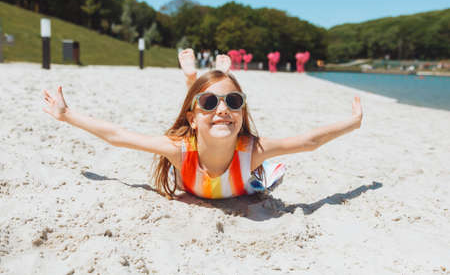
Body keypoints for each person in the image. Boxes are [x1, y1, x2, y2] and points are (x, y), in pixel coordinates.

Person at [43, 48, 363, 199]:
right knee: (200, 104)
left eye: (234, 102)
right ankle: (193, 81)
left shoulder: (251, 151)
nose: (224, 109)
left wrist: (354, 122)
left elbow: (309, 142)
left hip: (244, 178)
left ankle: (201, 82)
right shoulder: (180, 150)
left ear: (242, 114)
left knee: (209, 108)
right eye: (213, 103)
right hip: (195, 145)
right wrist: (66, 114)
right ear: (192, 122)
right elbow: (118, 136)